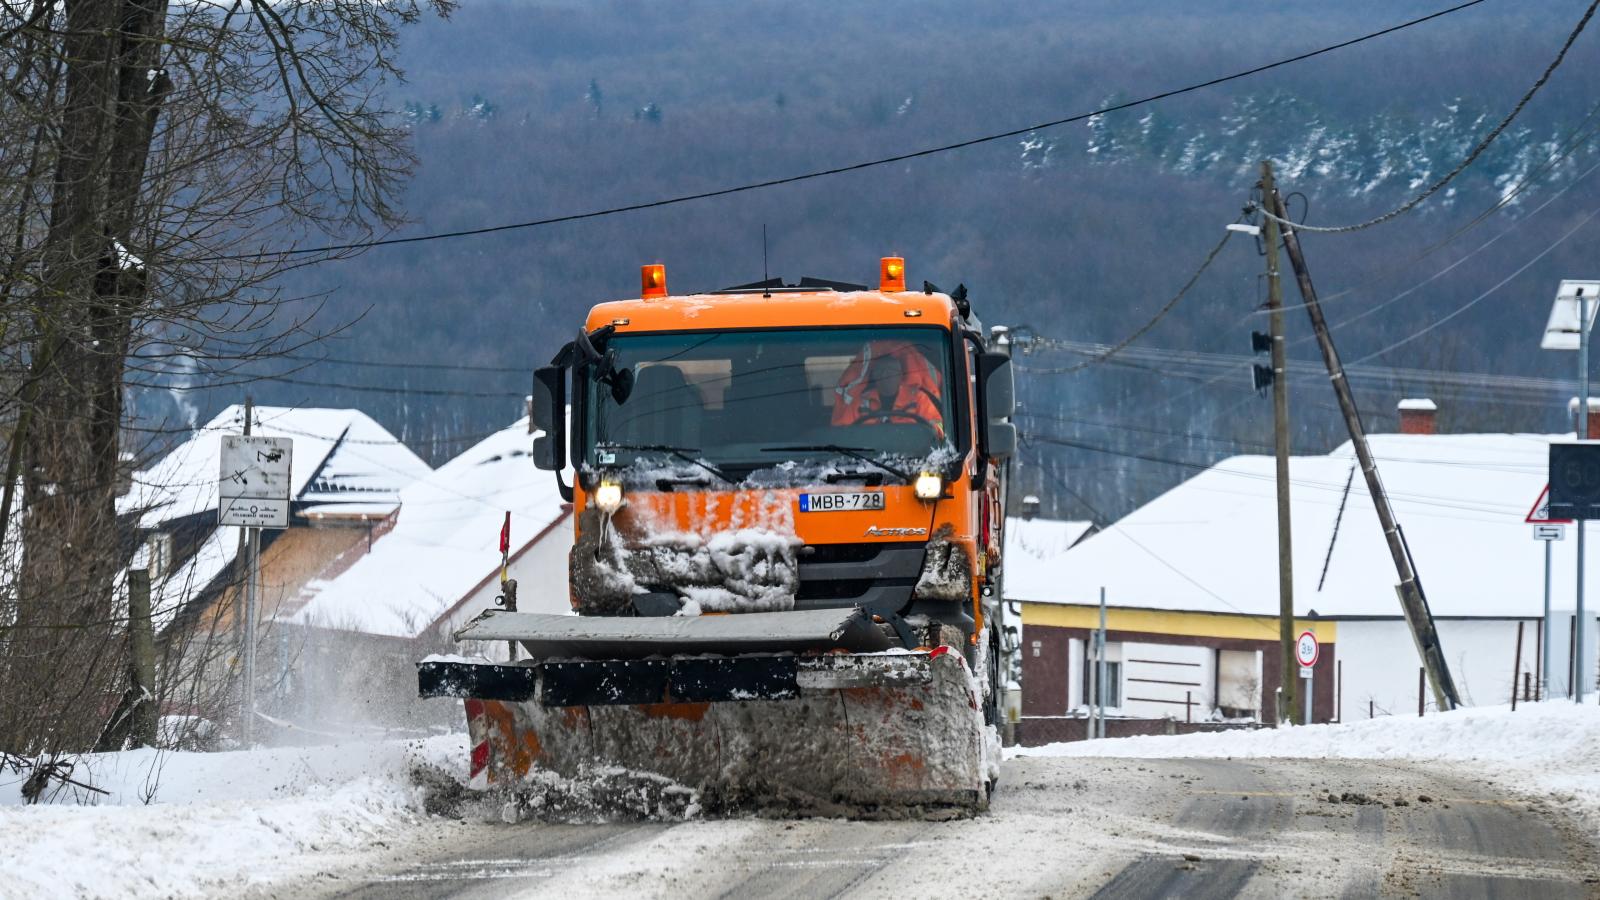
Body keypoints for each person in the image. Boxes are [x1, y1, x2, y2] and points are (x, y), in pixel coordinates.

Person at [831, 340, 944, 436]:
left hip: (912, 453)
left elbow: (938, 428)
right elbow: (842, 435)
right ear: (874, 376)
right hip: (867, 453)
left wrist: (926, 433)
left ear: (900, 375)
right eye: (881, 371)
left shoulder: (919, 398)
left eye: (891, 371)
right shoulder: (860, 402)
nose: (886, 375)